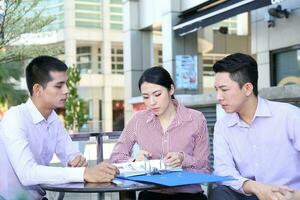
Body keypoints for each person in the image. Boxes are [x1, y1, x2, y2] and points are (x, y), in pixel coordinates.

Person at [0, 56, 119, 200]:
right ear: (38, 89)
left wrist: (78, 162)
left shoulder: (53, 119)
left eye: (66, 84)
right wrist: (83, 173)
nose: (67, 90)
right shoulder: (15, 118)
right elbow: (27, 174)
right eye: (59, 85)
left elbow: (71, 156)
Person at [110, 66, 210, 200]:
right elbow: (116, 157)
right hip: (152, 195)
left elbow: (204, 167)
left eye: (157, 94)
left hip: (188, 195)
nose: (152, 102)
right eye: (146, 97)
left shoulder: (196, 119)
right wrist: (134, 162)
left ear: (171, 90)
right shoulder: (138, 120)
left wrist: (182, 159)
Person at [210, 53, 300, 200]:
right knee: (220, 192)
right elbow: (222, 170)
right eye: (216, 89)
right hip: (249, 194)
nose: (218, 97)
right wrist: (254, 186)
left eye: (224, 89)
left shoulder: (289, 116)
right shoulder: (223, 126)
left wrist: (295, 195)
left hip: (289, 195)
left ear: (247, 88)